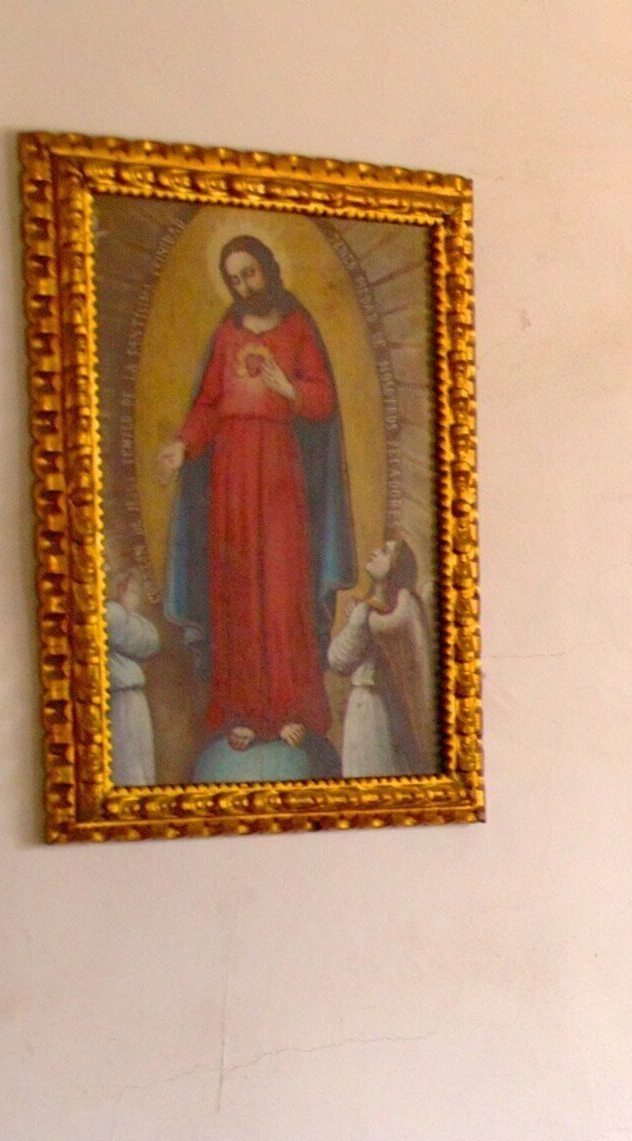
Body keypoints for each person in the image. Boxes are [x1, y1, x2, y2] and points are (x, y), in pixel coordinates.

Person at [159, 233, 354, 782]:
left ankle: (293, 710)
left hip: (280, 475)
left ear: (268, 269)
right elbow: (209, 404)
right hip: (230, 475)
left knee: (283, 587)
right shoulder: (227, 334)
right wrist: (184, 444)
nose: (245, 285)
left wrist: (285, 387)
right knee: (238, 589)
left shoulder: (297, 329)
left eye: (251, 273)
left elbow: (322, 402)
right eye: (235, 278)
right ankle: (241, 712)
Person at [330, 539, 430, 778]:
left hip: (373, 710)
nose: (374, 551)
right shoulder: (375, 609)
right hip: (371, 706)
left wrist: (358, 618)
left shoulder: (385, 614)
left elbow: (338, 660)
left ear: (395, 567)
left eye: (384, 552)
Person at [105, 543, 165, 784]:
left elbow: (152, 641)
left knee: (141, 767)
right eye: (134, 591)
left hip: (133, 697)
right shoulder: (111, 613)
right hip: (119, 698)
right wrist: (126, 610)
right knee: (128, 768)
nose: (137, 598)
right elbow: (132, 636)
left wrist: (129, 611)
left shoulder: (125, 616)